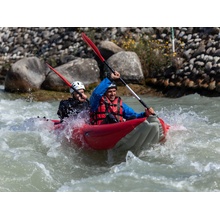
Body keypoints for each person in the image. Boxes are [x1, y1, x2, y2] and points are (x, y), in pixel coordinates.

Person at [89, 71, 155, 125]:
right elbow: (96, 94)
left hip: (117, 129)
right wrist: (110, 78)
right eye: (109, 92)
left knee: (133, 117)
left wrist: (145, 114)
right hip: (101, 129)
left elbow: (134, 115)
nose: (112, 94)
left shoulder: (120, 104)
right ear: (104, 93)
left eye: (114, 91)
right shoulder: (96, 102)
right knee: (110, 117)